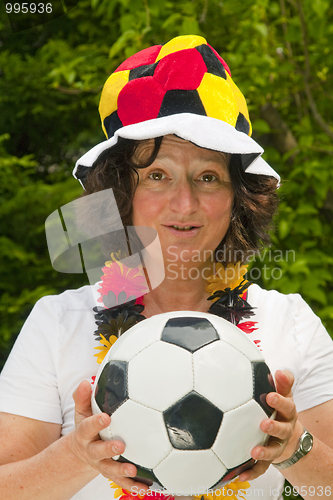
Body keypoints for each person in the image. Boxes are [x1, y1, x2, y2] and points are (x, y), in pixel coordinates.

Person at [0, 35, 333, 500]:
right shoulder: (57, 323)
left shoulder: (292, 324)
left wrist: (294, 447)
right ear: (120, 192)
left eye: (209, 177)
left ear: (239, 200)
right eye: (157, 175)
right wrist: (76, 456)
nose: (185, 202)